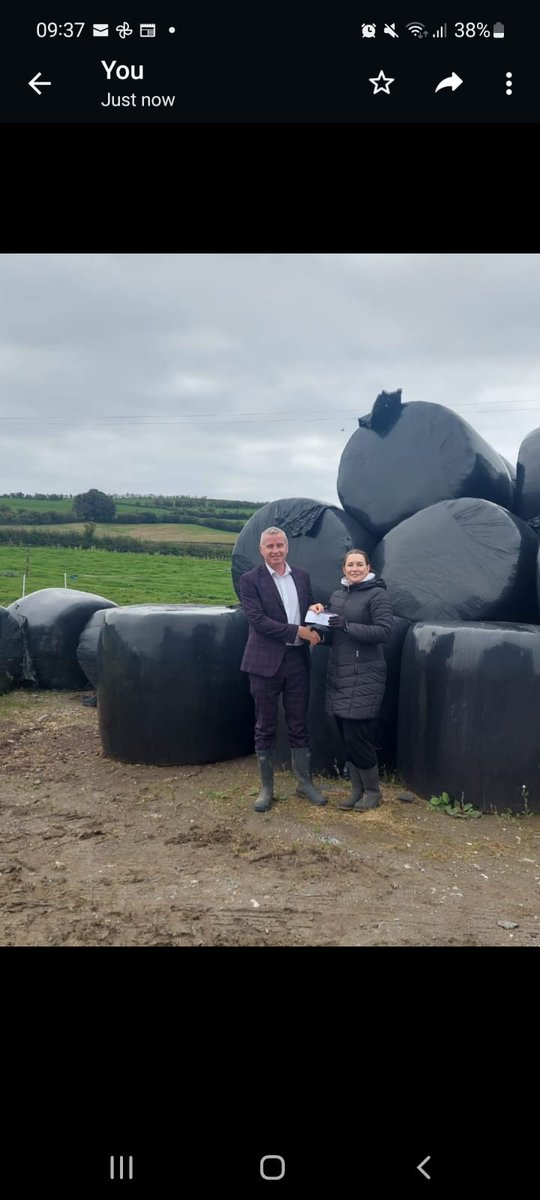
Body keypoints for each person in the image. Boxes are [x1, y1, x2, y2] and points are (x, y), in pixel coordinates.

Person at [239, 526, 327, 812]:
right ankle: (267, 789)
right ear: (261, 550)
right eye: (270, 546)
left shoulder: (301, 576)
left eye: (280, 545)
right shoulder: (250, 580)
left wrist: (314, 616)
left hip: (297, 661)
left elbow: (305, 615)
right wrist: (299, 632)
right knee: (265, 724)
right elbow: (258, 622)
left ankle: (304, 784)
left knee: (299, 723)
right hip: (264, 662)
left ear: (287, 547)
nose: (275, 550)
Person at [312, 549, 393, 811]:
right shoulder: (338, 595)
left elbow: (384, 631)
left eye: (359, 564)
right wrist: (318, 629)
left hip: (365, 673)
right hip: (340, 673)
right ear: (343, 569)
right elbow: (336, 635)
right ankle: (356, 790)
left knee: (358, 736)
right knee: (345, 736)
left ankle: (372, 791)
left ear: (368, 567)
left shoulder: (377, 594)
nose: (355, 568)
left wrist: (347, 626)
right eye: (350, 564)